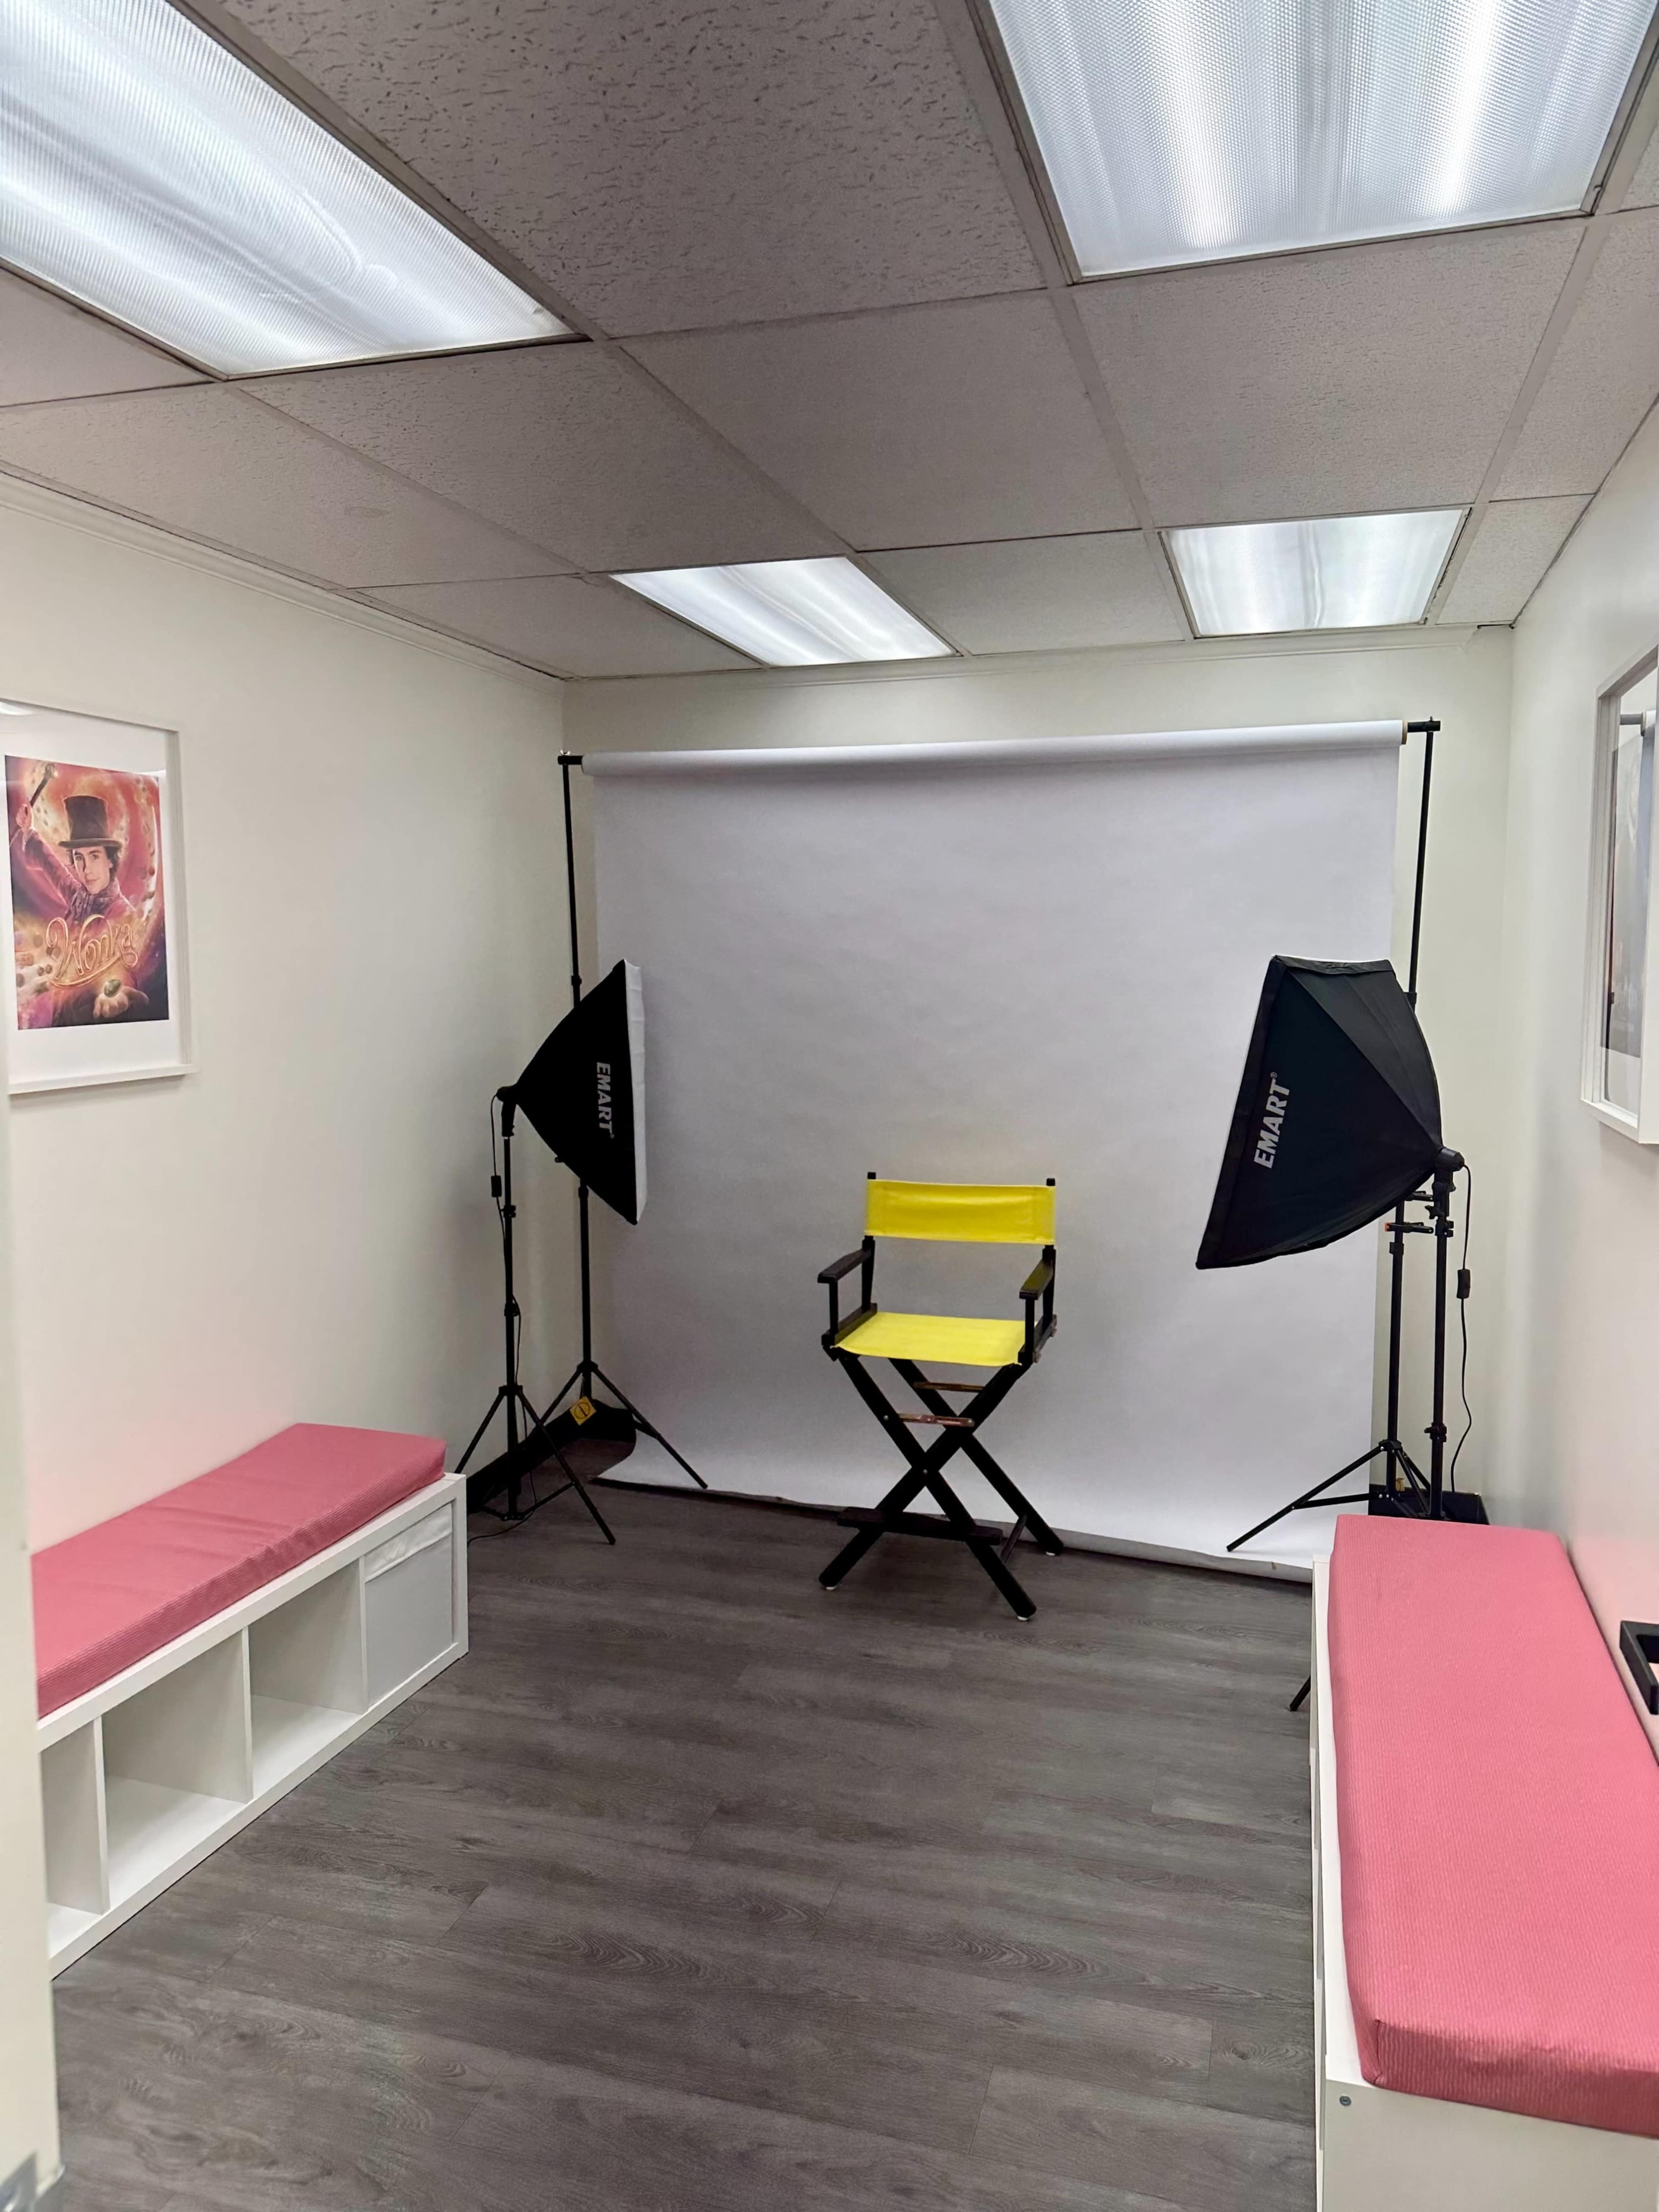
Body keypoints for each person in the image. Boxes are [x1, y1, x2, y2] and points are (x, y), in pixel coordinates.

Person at [11, 790, 137, 927]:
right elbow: (53, 867)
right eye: (79, 858)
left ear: (110, 860)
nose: (86, 869)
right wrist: (28, 829)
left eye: (94, 856)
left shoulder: (126, 917)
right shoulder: (79, 898)